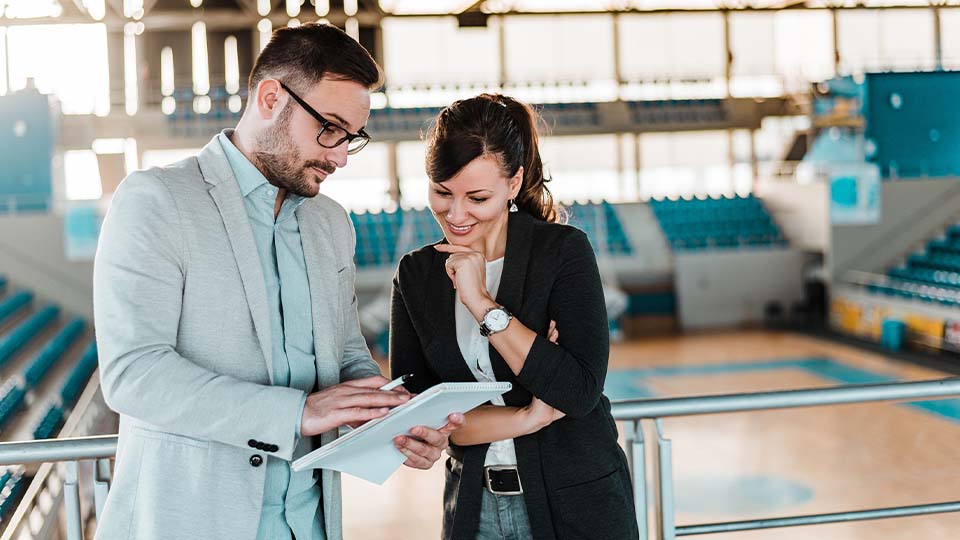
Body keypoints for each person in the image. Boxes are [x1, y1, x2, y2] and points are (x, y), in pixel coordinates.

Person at [93, 23, 460, 540]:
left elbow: (346, 354)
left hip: (307, 523)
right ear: (270, 98)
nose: (337, 156)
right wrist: (297, 413)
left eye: (350, 138)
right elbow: (134, 374)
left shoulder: (331, 222)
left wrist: (384, 414)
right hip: (194, 519)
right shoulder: (157, 201)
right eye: (329, 128)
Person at [389, 94, 639, 540]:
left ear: (514, 183)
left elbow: (578, 391)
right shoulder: (416, 274)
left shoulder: (562, 252)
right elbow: (423, 412)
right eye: (442, 192)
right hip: (473, 506)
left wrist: (482, 303)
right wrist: (529, 416)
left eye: (477, 197)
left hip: (577, 503)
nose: (456, 214)